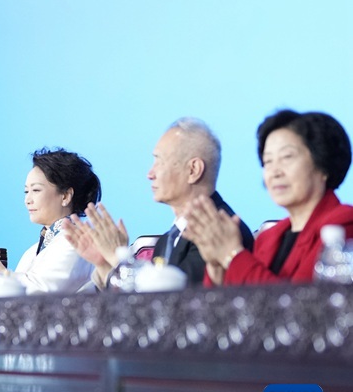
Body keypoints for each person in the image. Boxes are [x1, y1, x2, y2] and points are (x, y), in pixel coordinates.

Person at [64, 118, 253, 288]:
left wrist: (119, 258)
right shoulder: (166, 241)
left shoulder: (222, 233)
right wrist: (105, 265)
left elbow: (177, 299)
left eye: (159, 162)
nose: (150, 174)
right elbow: (143, 309)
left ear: (193, 170)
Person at [184, 110, 353, 286]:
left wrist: (232, 254)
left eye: (287, 157)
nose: (275, 172)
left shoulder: (344, 223)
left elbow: (302, 299)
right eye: (268, 161)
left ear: (323, 165)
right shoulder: (267, 238)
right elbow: (236, 299)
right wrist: (217, 265)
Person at [0, 147, 102, 295]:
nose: (27, 200)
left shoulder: (76, 243)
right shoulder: (32, 252)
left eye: (36, 190)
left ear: (66, 196)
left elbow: (29, 297)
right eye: (26, 191)